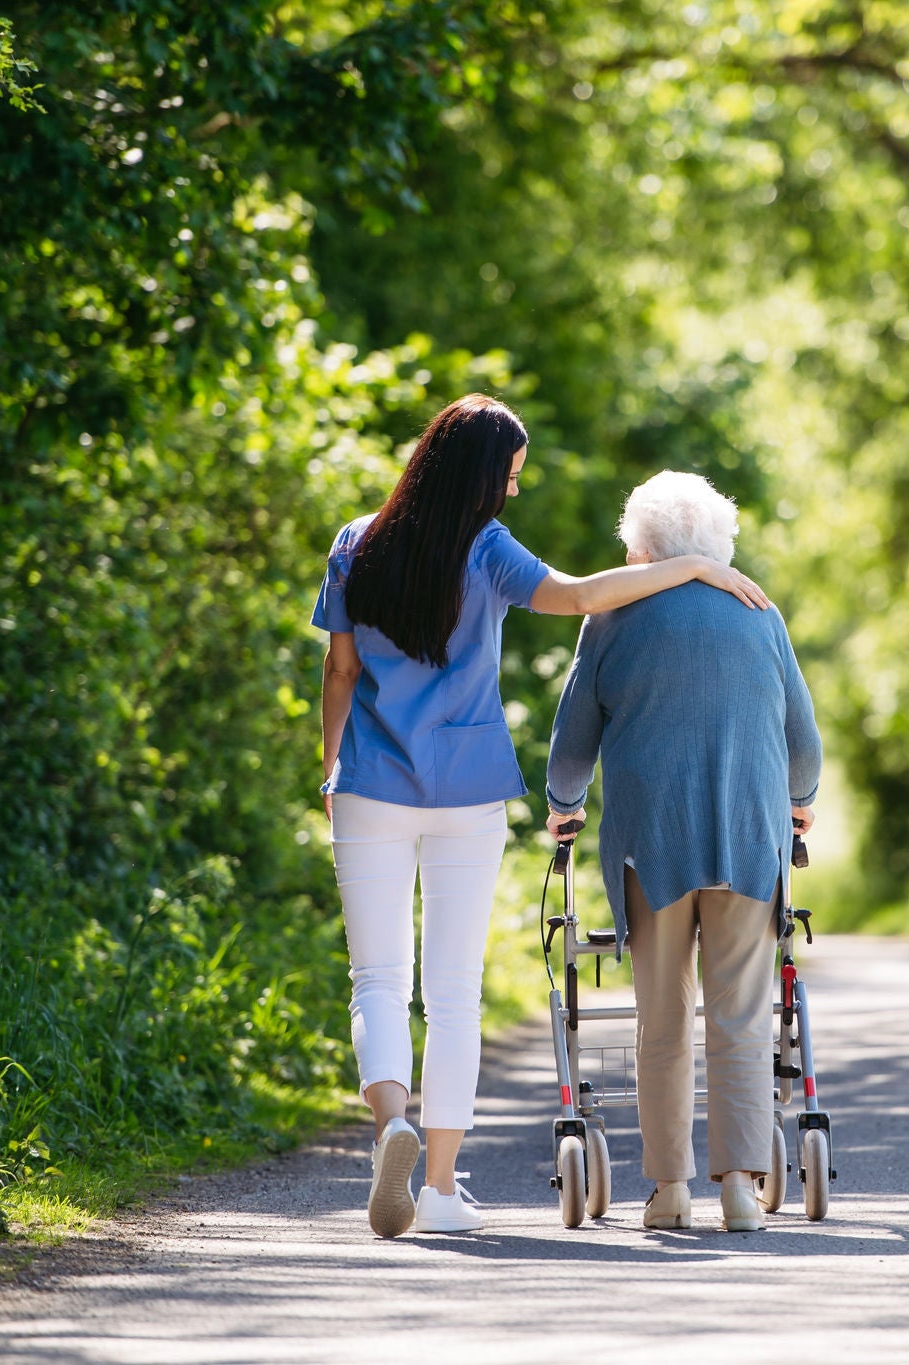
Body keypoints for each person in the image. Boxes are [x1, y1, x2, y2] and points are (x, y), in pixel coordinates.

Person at [315, 396, 771, 1239]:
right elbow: (581, 594)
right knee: (453, 993)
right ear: (482, 477)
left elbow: (340, 671)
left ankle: (392, 1127)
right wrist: (695, 568)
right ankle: (442, 1188)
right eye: (511, 477)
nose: (514, 494)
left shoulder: (356, 542)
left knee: (377, 980)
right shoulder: (485, 550)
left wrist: (329, 765)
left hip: (370, 784)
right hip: (468, 791)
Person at [543, 471, 821, 1233]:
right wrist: (801, 801)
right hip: (747, 834)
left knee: (663, 1017)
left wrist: (562, 809)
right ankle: (740, 1184)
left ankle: (669, 1189)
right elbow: (803, 739)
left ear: (647, 546)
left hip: (651, 845)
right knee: (740, 1012)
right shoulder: (759, 613)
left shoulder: (611, 618)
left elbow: (572, 743)